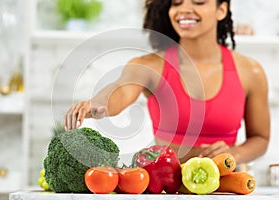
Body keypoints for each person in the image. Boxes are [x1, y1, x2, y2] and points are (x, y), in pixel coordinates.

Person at [64, 0, 270, 164]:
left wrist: (235, 154)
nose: (185, 10)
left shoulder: (250, 71)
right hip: (167, 186)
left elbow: (260, 138)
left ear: (221, 10)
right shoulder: (151, 66)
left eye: (199, 2)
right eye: (177, 2)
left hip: (226, 187)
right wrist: (97, 104)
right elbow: (121, 89)